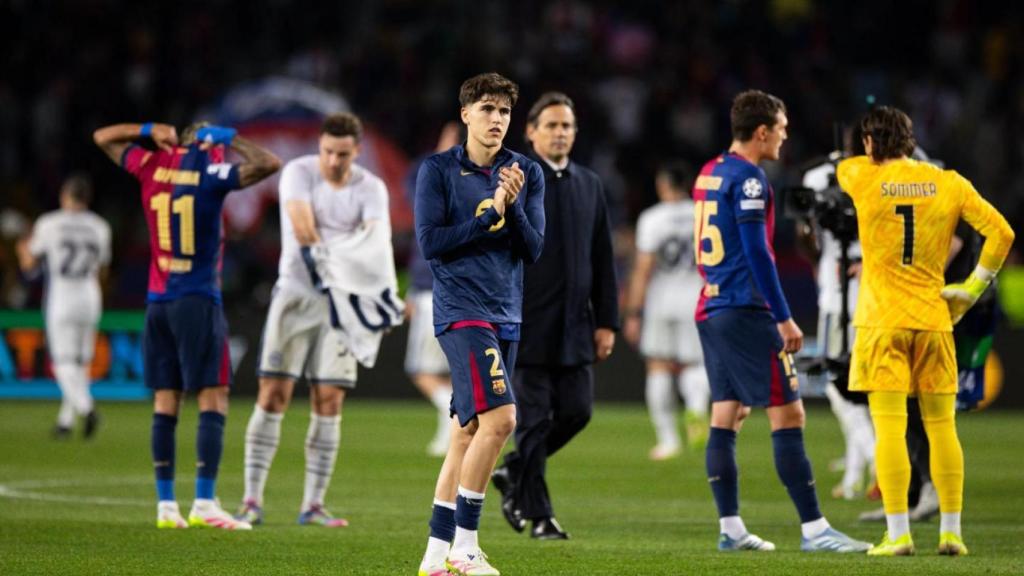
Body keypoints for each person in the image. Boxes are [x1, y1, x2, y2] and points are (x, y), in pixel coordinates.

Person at [693, 90, 870, 553]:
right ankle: (815, 530)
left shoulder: (710, 170)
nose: (785, 136)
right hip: (744, 310)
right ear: (762, 132)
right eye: (781, 128)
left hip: (711, 306)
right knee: (789, 412)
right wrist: (784, 318)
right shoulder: (750, 179)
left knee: (728, 412)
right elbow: (758, 253)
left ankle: (731, 529)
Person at [837, 106, 1015, 556]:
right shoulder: (949, 182)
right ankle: (952, 532)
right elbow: (1002, 233)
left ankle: (898, 534)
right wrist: (971, 288)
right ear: (911, 140)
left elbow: (848, 165)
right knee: (941, 427)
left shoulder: (858, 174)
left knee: (890, 431)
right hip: (935, 318)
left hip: (881, 323)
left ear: (870, 143)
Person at [94, 120, 281, 530]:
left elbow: (102, 138)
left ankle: (166, 506)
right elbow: (269, 163)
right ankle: (204, 502)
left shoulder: (150, 165)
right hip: (197, 301)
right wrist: (231, 139)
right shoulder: (210, 171)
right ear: (207, 144)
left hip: (158, 302)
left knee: (166, 401)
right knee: (213, 398)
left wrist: (147, 129)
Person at [414, 72, 544, 576]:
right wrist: (488, 216)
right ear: (465, 113)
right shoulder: (439, 170)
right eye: (487, 109)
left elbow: (533, 249)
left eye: (504, 111)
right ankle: (465, 548)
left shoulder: (524, 171)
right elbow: (431, 243)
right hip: (461, 311)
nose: (497, 119)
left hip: (506, 313)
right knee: (503, 420)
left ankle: (434, 555)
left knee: (467, 432)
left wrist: (511, 208)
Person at [236, 112, 390, 527]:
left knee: (330, 399)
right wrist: (346, 258)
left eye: (343, 154)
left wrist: (376, 293)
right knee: (273, 394)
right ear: (319, 147)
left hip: (343, 303)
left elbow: (376, 242)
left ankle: (314, 504)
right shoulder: (299, 173)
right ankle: (251, 500)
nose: (333, 161)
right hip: (296, 295)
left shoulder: (371, 187)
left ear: (357, 152)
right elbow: (303, 228)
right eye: (327, 152)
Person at [490, 92, 618, 540]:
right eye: (551, 125)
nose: (560, 133)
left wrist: (607, 321)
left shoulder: (589, 184)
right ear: (531, 132)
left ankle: (513, 470)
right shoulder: (514, 179)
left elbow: (602, 257)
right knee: (534, 420)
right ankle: (540, 515)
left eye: (567, 126)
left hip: (575, 324)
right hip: (525, 322)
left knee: (578, 412)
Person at [800, 141, 876, 501]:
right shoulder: (885, 177)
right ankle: (856, 471)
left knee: (837, 385)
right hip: (877, 296)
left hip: (841, 297)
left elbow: (811, 242)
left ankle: (877, 462)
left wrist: (807, 224)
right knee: (862, 388)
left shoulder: (819, 177)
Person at [623, 162, 710, 460]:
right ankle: (697, 410)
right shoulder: (702, 214)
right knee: (696, 363)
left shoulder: (653, 218)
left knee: (658, 365)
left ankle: (668, 440)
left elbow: (644, 267)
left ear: (662, 185)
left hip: (662, 300)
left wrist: (633, 312)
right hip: (695, 298)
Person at [16, 173, 111, 439]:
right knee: (80, 362)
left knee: (61, 362)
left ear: (64, 195)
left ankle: (86, 408)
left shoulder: (50, 223)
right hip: (90, 295)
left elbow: (29, 264)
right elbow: (103, 269)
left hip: (62, 297)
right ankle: (65, 421)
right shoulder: (100, 226)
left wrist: (20, 248)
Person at [405, 122, 460, 457]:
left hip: (435, 291)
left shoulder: (443, 185)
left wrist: (417, 290)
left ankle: (455, 415)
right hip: (443, 290)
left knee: (421, 371)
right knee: (447, 374)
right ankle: (449, 435)